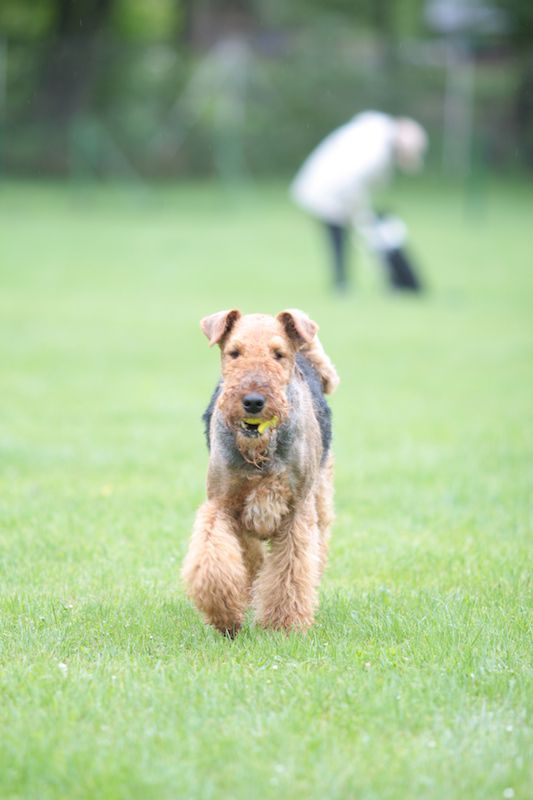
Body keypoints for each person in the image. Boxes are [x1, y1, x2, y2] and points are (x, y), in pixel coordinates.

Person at [290, 110, 428, 292]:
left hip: (332, 184)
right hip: (329, 187)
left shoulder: (379, 130)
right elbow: (351, 180)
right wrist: (360, 213)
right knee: (338, 232)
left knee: (343, 231)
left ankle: (343, 284)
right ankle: (342, 285)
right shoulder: (376, 151)